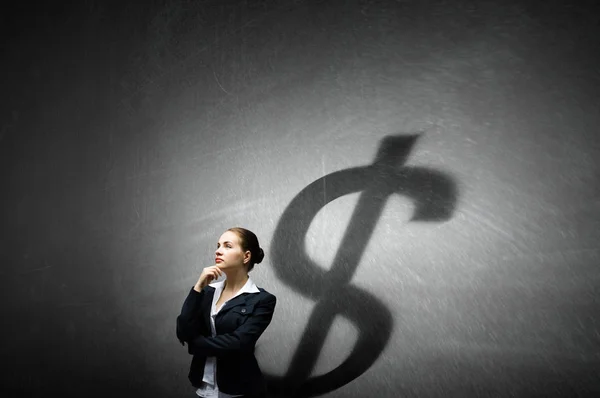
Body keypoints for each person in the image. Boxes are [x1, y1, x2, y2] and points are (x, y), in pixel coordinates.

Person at [176, 227, 277, 398]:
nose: (218, 250)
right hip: (204, 387)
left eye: (227, 246)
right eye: (218, 245)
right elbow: (183, 330)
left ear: (246, 256)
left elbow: (239, 343)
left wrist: (195, 344)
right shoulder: (206, 292)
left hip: (240, 390)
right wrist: (197, 288)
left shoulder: (262, 300)